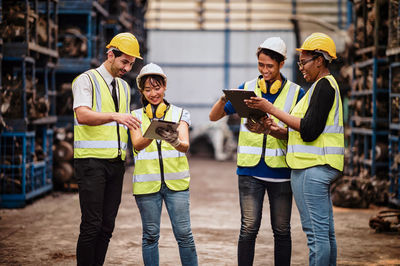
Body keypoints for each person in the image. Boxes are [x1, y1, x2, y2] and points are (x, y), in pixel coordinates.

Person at [245, 32, 344, 266]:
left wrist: (271, 108)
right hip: (314, 167)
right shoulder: (319, 88)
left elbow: (309, 130)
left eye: (304, 62)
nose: (301, 68)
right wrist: (273, 128)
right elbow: (303, 131)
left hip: (313, 168)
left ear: (320, 60)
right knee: (325, 233)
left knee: (316, 236)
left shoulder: (323, 87)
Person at [209, 37, 304, 266]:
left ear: (281, 64)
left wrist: (275, 130)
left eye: (269, 66)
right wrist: (225, 98)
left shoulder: (296, 94)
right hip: (249, 172)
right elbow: (214, 117)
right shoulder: (247, 89)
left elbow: (299, 134)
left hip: (281, 172)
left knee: (282, 230)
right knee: (248, 229)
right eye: (261, 65)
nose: (264, 70)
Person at [72, 32, 142, 265]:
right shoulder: (86, 80)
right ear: (110, 55)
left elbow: (125, 123)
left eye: (131, 64)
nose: (127, 68)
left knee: (106, 226)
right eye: (124, 62)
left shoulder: (123, 86)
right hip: (91, 162)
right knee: (91, 225)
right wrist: (115, 116)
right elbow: (82, 114)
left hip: (116, 164)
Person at [130, 63, 198, 266]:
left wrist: (174, 140)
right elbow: (137, 144)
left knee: (184, 235)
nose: (153, 93)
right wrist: (154, 132)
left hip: (176, 186)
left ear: (165, 86)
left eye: (157, 87)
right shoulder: (134, 116)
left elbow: (185, 146)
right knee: (150, 236)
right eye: (148, 89)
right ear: (141, 90)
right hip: (146, 186)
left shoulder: (179, 114)